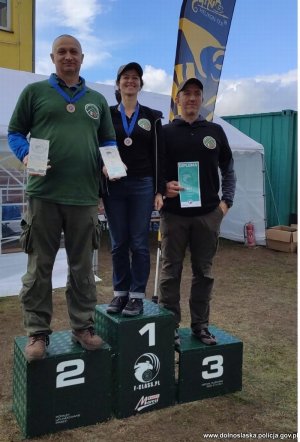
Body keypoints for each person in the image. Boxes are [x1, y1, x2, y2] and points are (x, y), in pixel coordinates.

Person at [7, 35, 116, 361]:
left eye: (73, 52)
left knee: (82, 267)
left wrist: (112, 165)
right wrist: (26, 155)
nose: (68, 57)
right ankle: (37, 333)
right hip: (44, 194)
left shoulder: (96, 99)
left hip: (84, 196)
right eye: (62, 52)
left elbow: (108, 141)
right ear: (53, 57)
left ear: (82, 57)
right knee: (39, 265)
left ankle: (83, 327)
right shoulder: (35, 93)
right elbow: (15, 132)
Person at [159, 78, 236, 346]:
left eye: (196, 94)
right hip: (174, 215)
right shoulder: (165, 132)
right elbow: (156, 171)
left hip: (207, 215)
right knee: (171, 273)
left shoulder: (215, 131)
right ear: (177, 100)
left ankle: (200, 326)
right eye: (186, 94)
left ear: (201, 100)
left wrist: (226, 203)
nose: (191, 98)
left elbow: (228, 168)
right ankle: (169, 328)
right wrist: (163, 186)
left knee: (204, 273)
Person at [102, 62, 165, 317]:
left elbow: (159, 155)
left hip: (142, 184)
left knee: (139, 242)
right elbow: (97, 147)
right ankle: (120, 294)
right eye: (126, 77)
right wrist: (102, 169)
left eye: (135, 78)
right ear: (118, 84)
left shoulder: (152, 116)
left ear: (140, 84)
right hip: (114, 185)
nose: (131, 81)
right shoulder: (106, 115)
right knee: (118, 243)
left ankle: (137, 296)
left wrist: (159, 190)